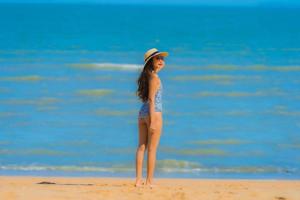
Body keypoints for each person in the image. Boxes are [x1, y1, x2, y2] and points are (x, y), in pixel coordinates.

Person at [135, 48, 168, 188]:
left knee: (142, 147)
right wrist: (153, 120)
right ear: (150, 62)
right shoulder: (154, 78)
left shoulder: (147, 76)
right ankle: (148, 181)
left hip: (142, 113)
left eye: (162, 59)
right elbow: (152, 99)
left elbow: (146, 99)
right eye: (158, 58)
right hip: (153, 112)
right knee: (152, 149)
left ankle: (138, 181)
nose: (161, 61)